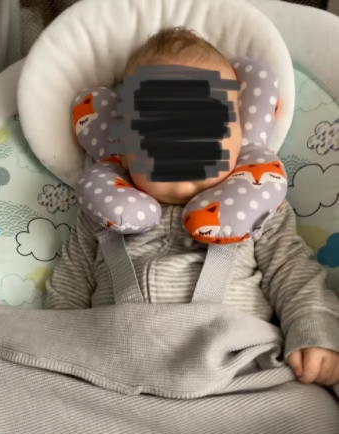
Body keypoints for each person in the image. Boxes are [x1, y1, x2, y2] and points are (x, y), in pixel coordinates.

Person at [45, 27, 339, 388]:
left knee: (310, 406)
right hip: (116, 366)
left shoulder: (260, 207)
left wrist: (314, 333)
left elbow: (293, 274)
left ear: (240, 137)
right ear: (122, 144)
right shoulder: (102, 213)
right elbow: (70, 285)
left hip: (236, 370)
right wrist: (57, 360)